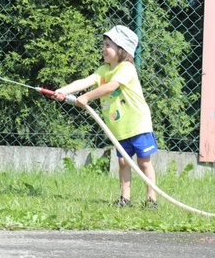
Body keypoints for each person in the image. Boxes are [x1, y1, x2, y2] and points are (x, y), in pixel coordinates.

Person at [54, 25, 159, 209]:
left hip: (138, 124)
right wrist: (63, 90)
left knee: (143, 162)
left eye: (108, 45)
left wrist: (86, 97)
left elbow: (112, 86)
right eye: (103, 44)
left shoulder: (126, 68)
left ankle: (151, 199)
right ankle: (125, 199)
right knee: (123, 161)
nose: (103, 49)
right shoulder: (104, 69)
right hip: (120, 128)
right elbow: (86, 81)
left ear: (122, 49)